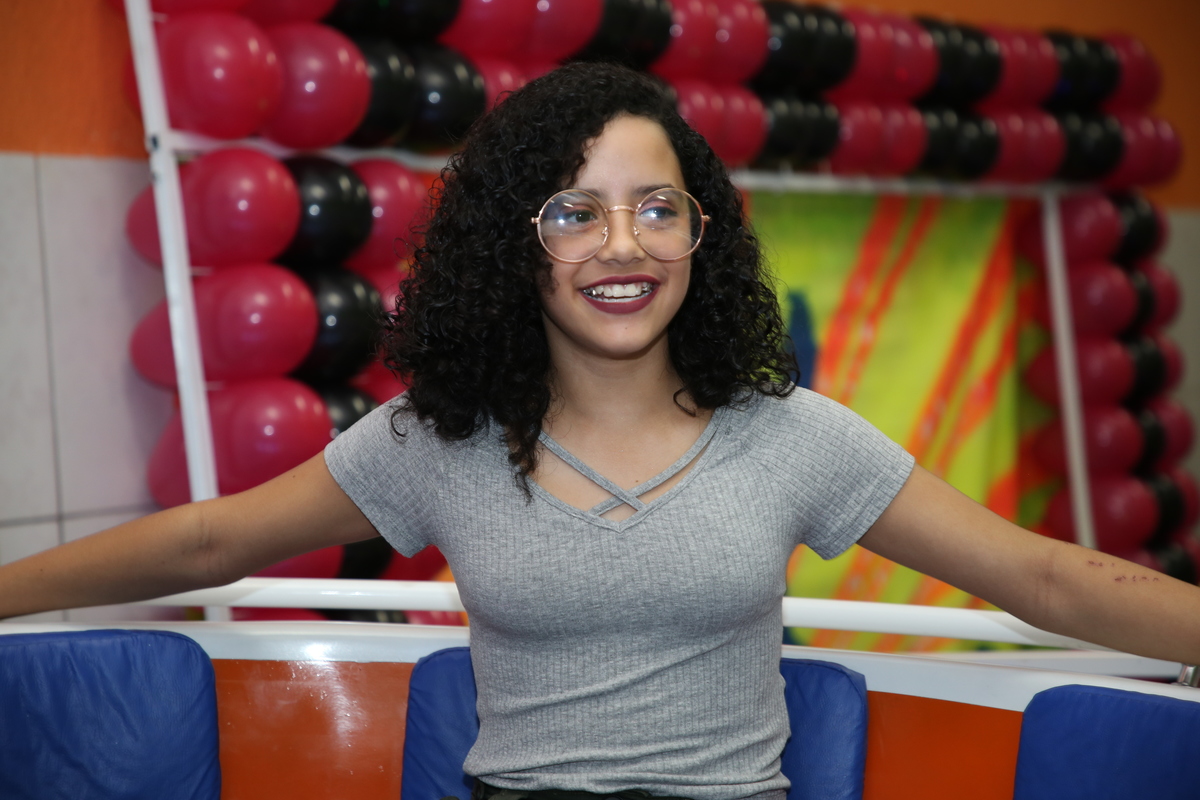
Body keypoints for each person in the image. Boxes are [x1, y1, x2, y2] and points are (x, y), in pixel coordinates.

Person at [2, 63, 1198, 799]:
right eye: (574, 212)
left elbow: (1043, 574)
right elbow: (210, 543)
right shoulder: (442, 436)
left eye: (656, 208)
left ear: (700, 231)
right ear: (515, 245)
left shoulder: (793, 435)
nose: (623, 245)